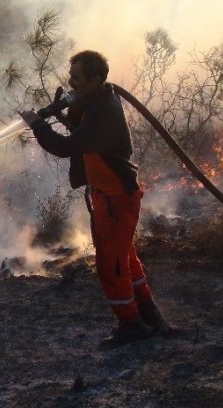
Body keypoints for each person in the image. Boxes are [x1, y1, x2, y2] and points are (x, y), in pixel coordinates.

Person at [19, 50, 171, 348]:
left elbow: (65, 147)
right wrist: (67, 114)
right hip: (109, 196)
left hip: (116, 198)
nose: (71, 83)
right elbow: (83, 136)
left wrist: (38, 124)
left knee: (110, 265)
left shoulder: (104, 110)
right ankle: (148, 315)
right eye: (70, 77)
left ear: (96, 79)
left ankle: (131, 325)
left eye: (77, 78)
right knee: (125, 259)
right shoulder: (98, 102)